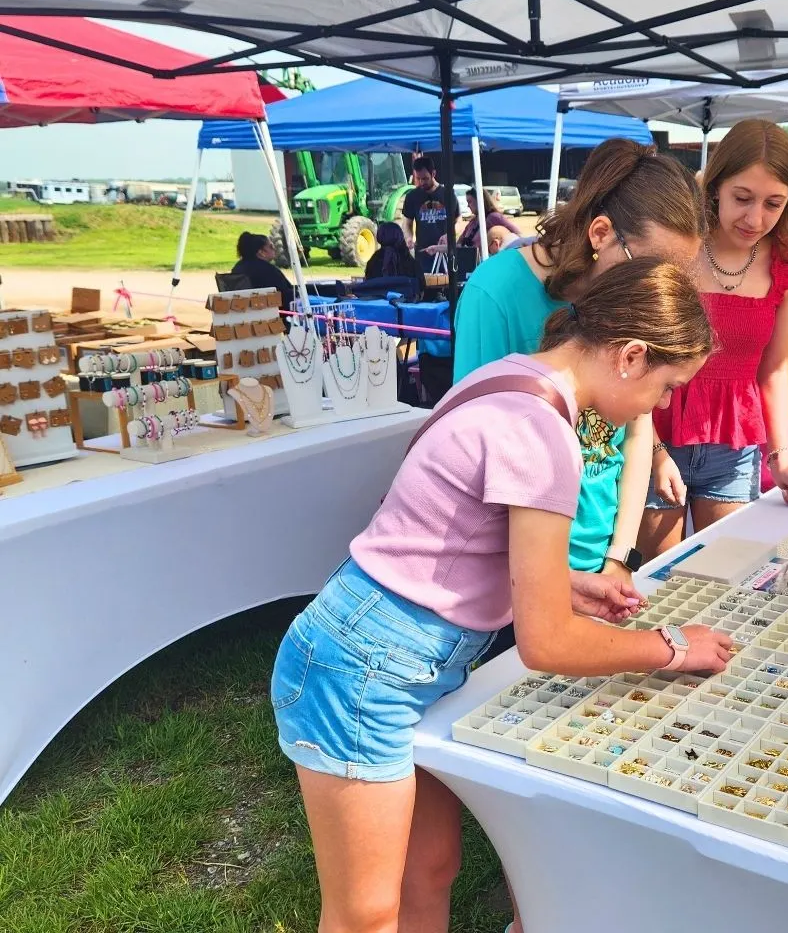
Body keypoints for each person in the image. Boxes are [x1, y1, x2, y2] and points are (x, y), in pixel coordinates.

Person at [271, 258, 729, 933]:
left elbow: (455, 536)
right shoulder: (543, 434)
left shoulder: (516, 377)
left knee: (429, 869)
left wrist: (563, 583)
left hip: (399, 653)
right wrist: (672, 647)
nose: (658, 408)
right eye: (667, 388)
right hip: (363, 667)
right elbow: (548, 644)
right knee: (363, 914)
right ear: (632, 356)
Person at [454, 138, 704, 591]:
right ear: (601, 233)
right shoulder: (496, 293)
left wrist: (620, 556)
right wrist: (553, 581)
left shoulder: (628, 300)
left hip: (600, 557)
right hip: (518, 574)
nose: (656, 288)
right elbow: (475, 460)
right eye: (649, 267)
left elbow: (636, 430)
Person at [640, 119, 788, 559]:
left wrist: (781, 458)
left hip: (733, 444)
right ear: (716, 186)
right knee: (653, 578)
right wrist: (653, 452)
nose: (755, 218)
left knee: (726, 573)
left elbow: (773, 366)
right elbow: (637, 359)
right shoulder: (676, 244)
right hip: (654, 434)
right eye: (742, 198)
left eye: (773, 203)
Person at [401, 156, 459, 276]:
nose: (421, 182)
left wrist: (449, 234)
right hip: (423, 252)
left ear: (433, 173)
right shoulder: (412, 196)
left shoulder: (447, 194)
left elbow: (458, 220)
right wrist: (408, 238)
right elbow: (407, 223)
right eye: (418, 178)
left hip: (445, 251)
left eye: (425, 178)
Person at [230, 232, 295, 308]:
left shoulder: (238, 267)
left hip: (246, 309)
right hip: (274, 310)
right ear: (261, 252)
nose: (274, 248)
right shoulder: (268, 270)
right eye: (271, 246)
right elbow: (286, 295)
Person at [364, 220, 424, 296]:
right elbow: (421, 288)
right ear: (400, 236)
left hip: (377, 302)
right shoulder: (412, 263)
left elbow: (368, 286)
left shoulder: (372, 263)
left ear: (379, 237)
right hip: (406, 302)